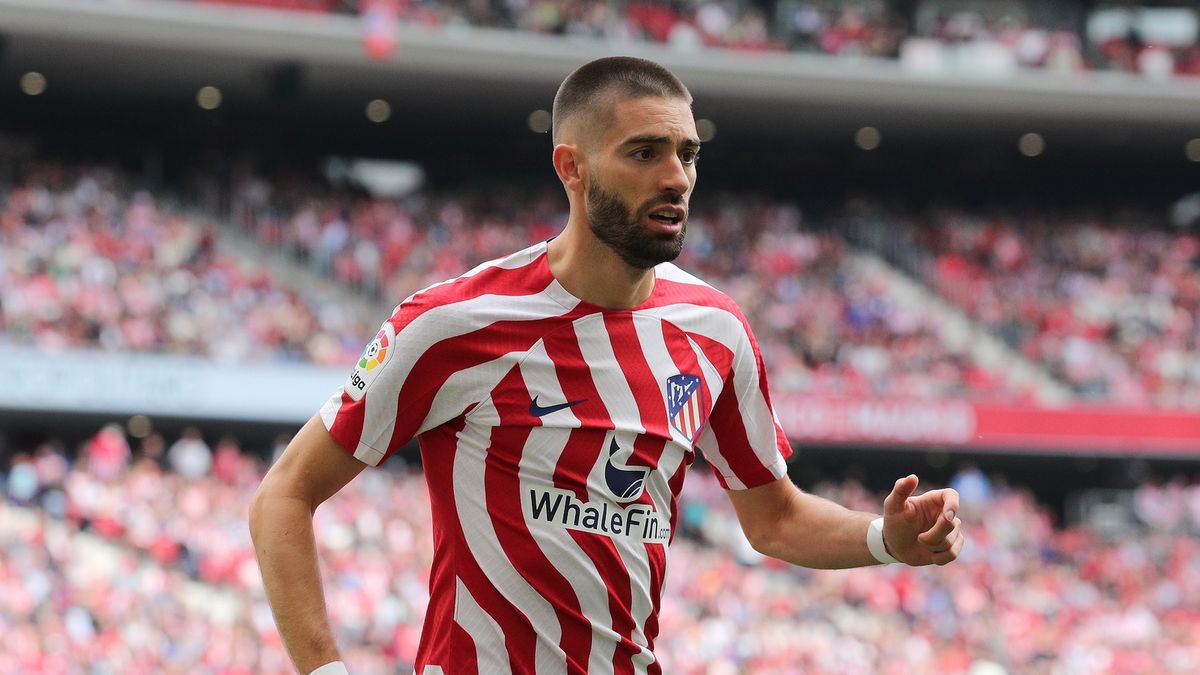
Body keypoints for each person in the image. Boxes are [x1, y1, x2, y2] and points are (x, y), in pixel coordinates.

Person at [250, 55, 965, 675]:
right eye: (645, 152)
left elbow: (774, 518)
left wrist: (886, 539)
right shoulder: (454, 322)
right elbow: (283, 494)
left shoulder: (715, 331)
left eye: (687, 153)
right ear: (572, 166)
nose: (676, 177)